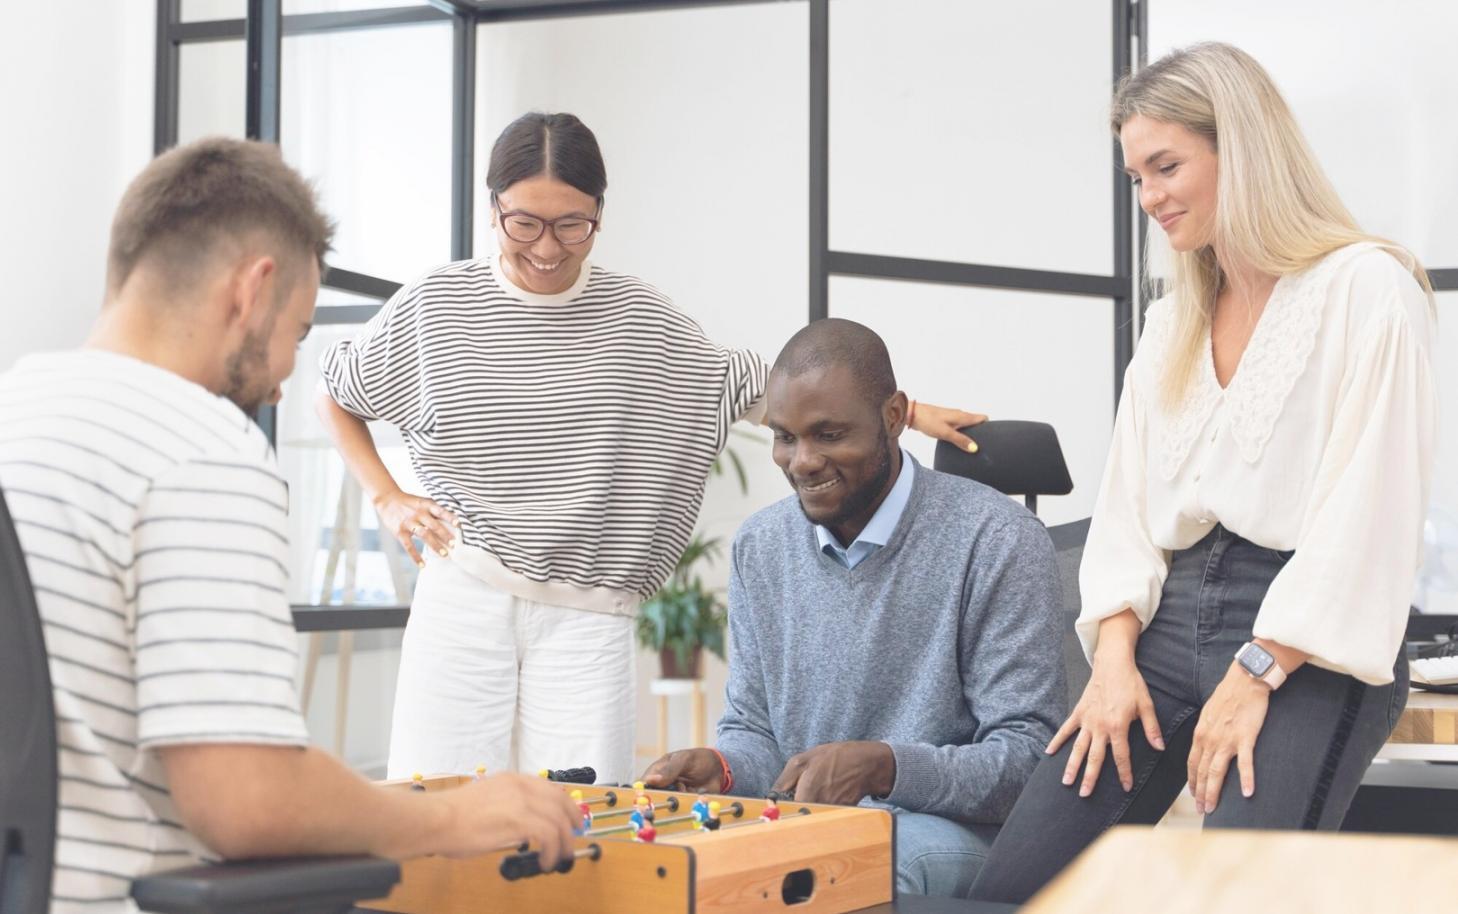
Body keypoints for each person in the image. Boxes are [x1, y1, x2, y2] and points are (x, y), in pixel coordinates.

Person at [314, 112, 985, 784]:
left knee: (583, 839)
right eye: (525, 223)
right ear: (494, 210)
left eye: (571, 224)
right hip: (462, 595)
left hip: (588, 617)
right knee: (435, 816)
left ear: (599, 215)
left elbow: (762, 391)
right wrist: (389, 497)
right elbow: (336, 392)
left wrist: (911, 413)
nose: (548, 248)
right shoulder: (438, 305)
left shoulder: (639, 319)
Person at [0, 137, 581, 913]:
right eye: (298, 335)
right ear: (252, 291)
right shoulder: (200, 449)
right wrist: (447, 815)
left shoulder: (17, 411)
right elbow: (245, 798)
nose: (281, 385)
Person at [971, 43, 1436, 903]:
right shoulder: (1171, 320)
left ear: (1244, 148)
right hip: (1160, 624)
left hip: (1306, 641)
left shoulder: (1369, 289)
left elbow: (1367, 518)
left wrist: (1257, 671)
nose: (1149, 198)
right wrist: (1112, 661)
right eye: (1136, 178)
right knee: (1013, 890)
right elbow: (1125, 510)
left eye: (1167, 166)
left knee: (1236, 893)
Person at [642, 319, 1066, 897]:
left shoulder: (998, 540)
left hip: (954, 831)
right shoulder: (760, 547)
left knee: (846, 873)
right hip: (814, 827)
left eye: (829, 434)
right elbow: (756, 732)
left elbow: (1026, 765)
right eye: (784, 437)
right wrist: (724, 768)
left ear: (893, 417)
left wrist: (885, 767)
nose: (802, 461)